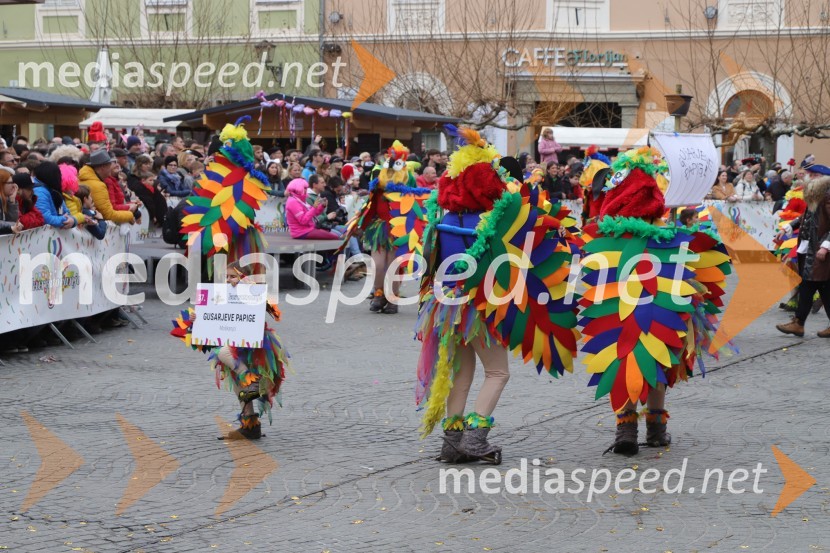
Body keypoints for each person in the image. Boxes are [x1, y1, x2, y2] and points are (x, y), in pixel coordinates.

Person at [416, 127, 581, 464]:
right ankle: (475, 441)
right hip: (480, 306)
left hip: (447, 305)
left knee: (461, 372)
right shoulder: (495, 220)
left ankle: (452, 442)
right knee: (497, 372)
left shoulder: (443, 217)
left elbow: (429, 264)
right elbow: (530, 235)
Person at [577, 146, 734, 456]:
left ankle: (626, 428)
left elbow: (587, 275)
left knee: (622, 352)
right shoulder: (669, 238)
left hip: (617, 309)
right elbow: (696, 273)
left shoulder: (601, 240)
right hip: (659, 308)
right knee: (658, 352)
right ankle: (656, 430)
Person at [776, 168, 830, 338]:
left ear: (822, 178)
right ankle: (798, 323)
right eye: (810, 175)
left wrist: (826, 246)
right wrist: (789, 227)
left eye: (814, 175)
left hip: (821, 251)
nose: (810, 177)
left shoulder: (827, 196)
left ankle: (798, 323)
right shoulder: (815, 194)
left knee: (811, 283)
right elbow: (805, 218)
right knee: (818, 286)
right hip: (810, 248)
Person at [78, 150, 136, 224]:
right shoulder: (98, 185)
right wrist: (130, 215)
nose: (111, 168)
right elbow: (108, 215)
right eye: (110, 165)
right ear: (103, 167)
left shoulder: (85, 178)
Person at [33, 161, 77, 230]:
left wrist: (72, 220)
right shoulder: (39, 192)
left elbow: (66, 212)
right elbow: (45, 218)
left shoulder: (54, 190)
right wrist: (63, 219)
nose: (60, 178)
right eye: (58, 174)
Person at [0, 169, 22, 235]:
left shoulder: (5, 198)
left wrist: (12, 200)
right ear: (1, 184)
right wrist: (11, 226)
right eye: (10, 183)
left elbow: (12, 220)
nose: (13, 186)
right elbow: (12, 223)